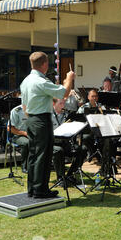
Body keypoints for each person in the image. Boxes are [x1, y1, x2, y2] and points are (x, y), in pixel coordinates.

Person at [20, 51, 75, 199]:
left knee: (34, 155)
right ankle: (40, 190)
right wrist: (69, 78)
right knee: (43, 156)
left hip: (30, 119)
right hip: (41, 120)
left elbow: (24, 106)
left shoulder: (25, 81)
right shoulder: (41, 81)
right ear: (44, 64)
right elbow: (63, 92)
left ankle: (33, 188)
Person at [8, 104, 29, 173]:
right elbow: (10, 128)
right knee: (26, 143)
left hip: (33, 134)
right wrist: (24, 133)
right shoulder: (16, 111)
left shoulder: (37, 108)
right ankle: (25, 166)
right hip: (18, 135)